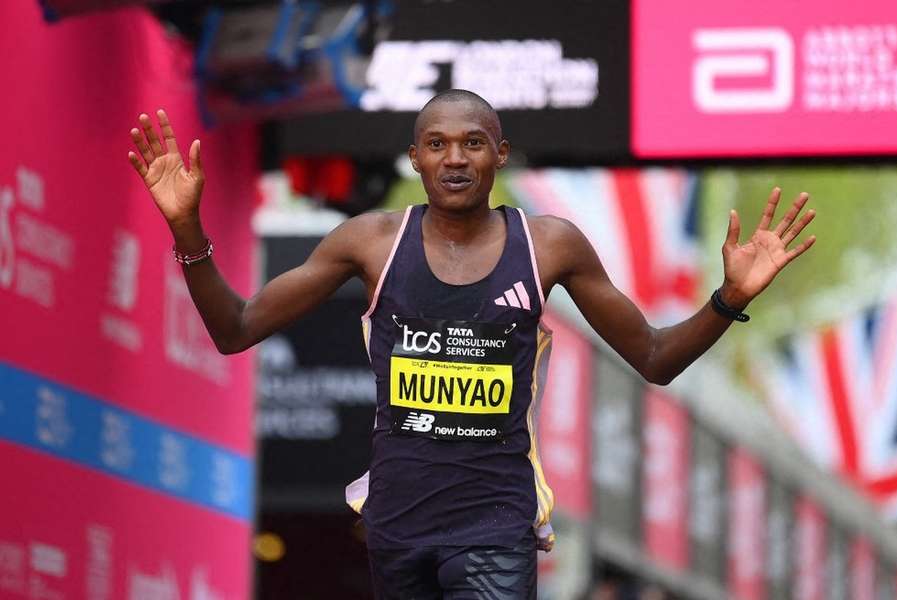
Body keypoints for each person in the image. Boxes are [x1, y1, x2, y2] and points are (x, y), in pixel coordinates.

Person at [127, 89, 815, 599]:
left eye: (473, 143)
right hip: (396, 527)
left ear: (500, 154)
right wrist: (187, 229)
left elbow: (656, 359)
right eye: (438, 144)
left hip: (496, 526)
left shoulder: (549, 246)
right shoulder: (370, 241)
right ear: (415, 157)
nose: (455, 158)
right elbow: (235, 329)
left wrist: (730, 299)